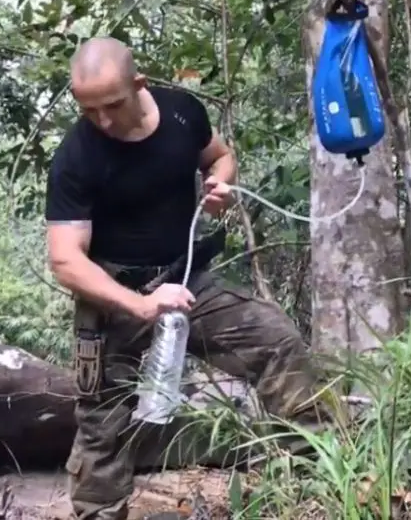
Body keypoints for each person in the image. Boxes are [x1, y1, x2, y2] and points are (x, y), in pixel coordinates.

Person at [44, 36, 324, 520]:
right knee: (101, 426)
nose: (103, 121)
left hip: (189, 280)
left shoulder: (181, 114)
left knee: (277, 343)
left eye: (113, 105)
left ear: (139, 84)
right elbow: (67, 260)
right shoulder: (76, 156)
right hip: (113, 295)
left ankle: (317, 481)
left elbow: (220, 156)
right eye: (89, 110)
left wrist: (222, 185)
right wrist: (139, 305)